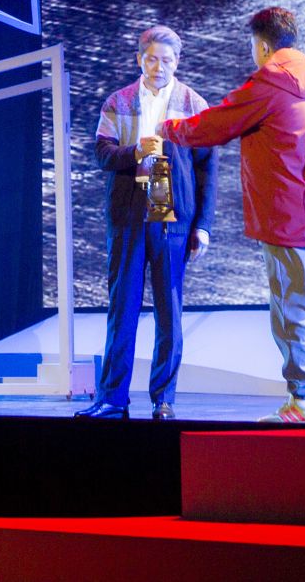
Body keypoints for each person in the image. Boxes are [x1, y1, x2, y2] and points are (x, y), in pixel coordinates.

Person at [159, 7, 305, 424]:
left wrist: (168, 128)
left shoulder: (269, 82)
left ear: (262, 45)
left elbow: (215, 125)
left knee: (293, 310)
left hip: (287, 221)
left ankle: (302, 401)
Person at [76, 25, 217, 421]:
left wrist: (203, 225)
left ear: (177, 62)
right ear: (140, 59)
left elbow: (208, 168)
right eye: (152, 59)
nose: (159, 67)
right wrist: (134, 151)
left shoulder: (193, 103)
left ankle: (163, 398)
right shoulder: (118, 102)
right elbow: (102, 153)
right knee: (122, 306)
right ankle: (113, 397)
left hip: (172, 210)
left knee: (169, 310)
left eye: (167, 60)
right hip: (130, 210)